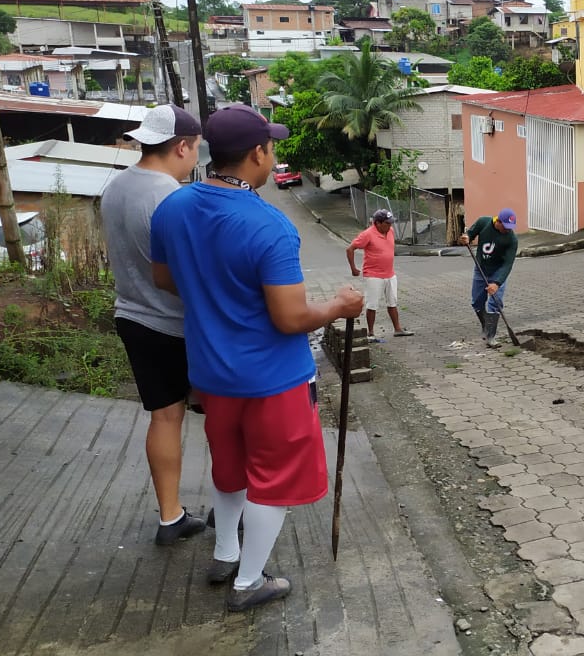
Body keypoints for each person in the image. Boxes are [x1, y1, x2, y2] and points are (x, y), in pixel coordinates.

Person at [149, 104, 364, 612]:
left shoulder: (173, 208)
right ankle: (249, 583)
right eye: (270, 147)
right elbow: (290, 318)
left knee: (230, 468)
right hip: (273, 379)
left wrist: (213, 293)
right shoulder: (269, 225)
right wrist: (340, 306)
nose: (272, 155)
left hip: (211, 372)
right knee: (274, 480)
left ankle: (226, 553)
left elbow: (163, 279)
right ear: (257, 154)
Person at [100, 104, 208, 546]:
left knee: (163, 416)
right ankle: (234, 506)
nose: (196, 157)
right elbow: (192, 271)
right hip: (177, 324)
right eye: (196, 148)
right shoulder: (173, 198)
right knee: (220, 415)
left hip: (132, 316)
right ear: (182, 146)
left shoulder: (116, 186)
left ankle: (170, 516)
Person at [347, 209, 413, 341]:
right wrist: (353, 268)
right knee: (372, 304)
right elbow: (350, 248)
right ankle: (371, 333)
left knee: (392, 302)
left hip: (390, 273)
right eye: (387, 223)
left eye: (391, 223)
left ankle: (397, 329)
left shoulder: (390, 231)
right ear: (377, 223)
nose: (390, 226)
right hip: (373, 275)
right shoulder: (367, 234)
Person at [458, 207, 518, 347]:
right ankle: (486, 325)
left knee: (495, 303)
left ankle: (491, 336)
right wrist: (466, 238)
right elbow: (469, 234)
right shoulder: (483, 222)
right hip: (481, 269)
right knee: (477, 302)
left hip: (498, 271)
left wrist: (497, 283)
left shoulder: (512, 239)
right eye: (506, 226)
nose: (508, 230)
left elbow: (508, 264)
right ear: (498, 221)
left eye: (510, 227)